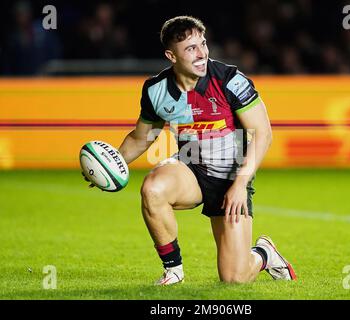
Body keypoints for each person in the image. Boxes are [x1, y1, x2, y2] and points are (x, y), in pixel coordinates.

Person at [94, 16, 296, 285]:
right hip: (191, 171)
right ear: (171, 55)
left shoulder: (229, 80)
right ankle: (173, 271)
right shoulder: (156, 90)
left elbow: (263, 133)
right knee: (153, 189)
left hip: (231, 178)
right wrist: (111, 164)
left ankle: (263, 254)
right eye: (191, 48)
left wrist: (241, 184)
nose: (202, 54)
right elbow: (142, 138)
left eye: (203, 44)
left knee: (234, 278)